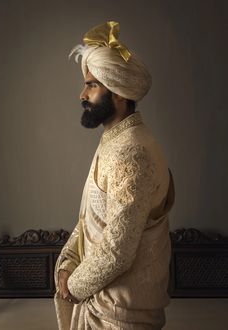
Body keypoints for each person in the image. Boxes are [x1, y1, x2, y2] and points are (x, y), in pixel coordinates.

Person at [54, 21, 175, 330]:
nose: (82, 94)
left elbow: (117, 252)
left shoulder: (132, 152)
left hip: (119, 313)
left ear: (119, 93)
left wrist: (72, 286)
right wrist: (68, 261)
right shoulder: (115, 140)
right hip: (101, 302)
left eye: (92, 85)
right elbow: (89, 219)